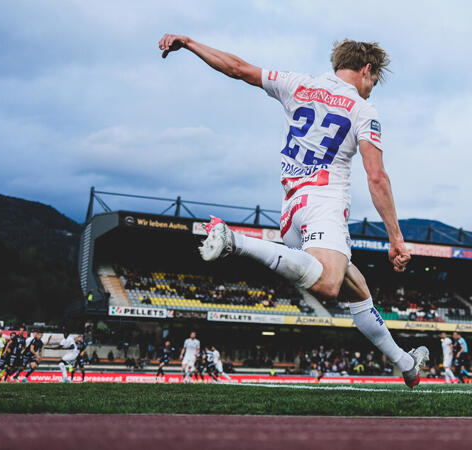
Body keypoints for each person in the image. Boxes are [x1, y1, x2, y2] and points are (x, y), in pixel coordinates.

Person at [158, 34, 428, 386]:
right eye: (374, 80)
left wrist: (190, 43)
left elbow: (238, 68)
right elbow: (376, 176)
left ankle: (407, 365)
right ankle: (234, 240)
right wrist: (396, 238)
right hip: (324, 203)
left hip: (291, 210)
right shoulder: (364, 110)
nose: (372, 88)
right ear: (365, 69)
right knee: (331, 283)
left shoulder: (297, 84)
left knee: (357, 289)